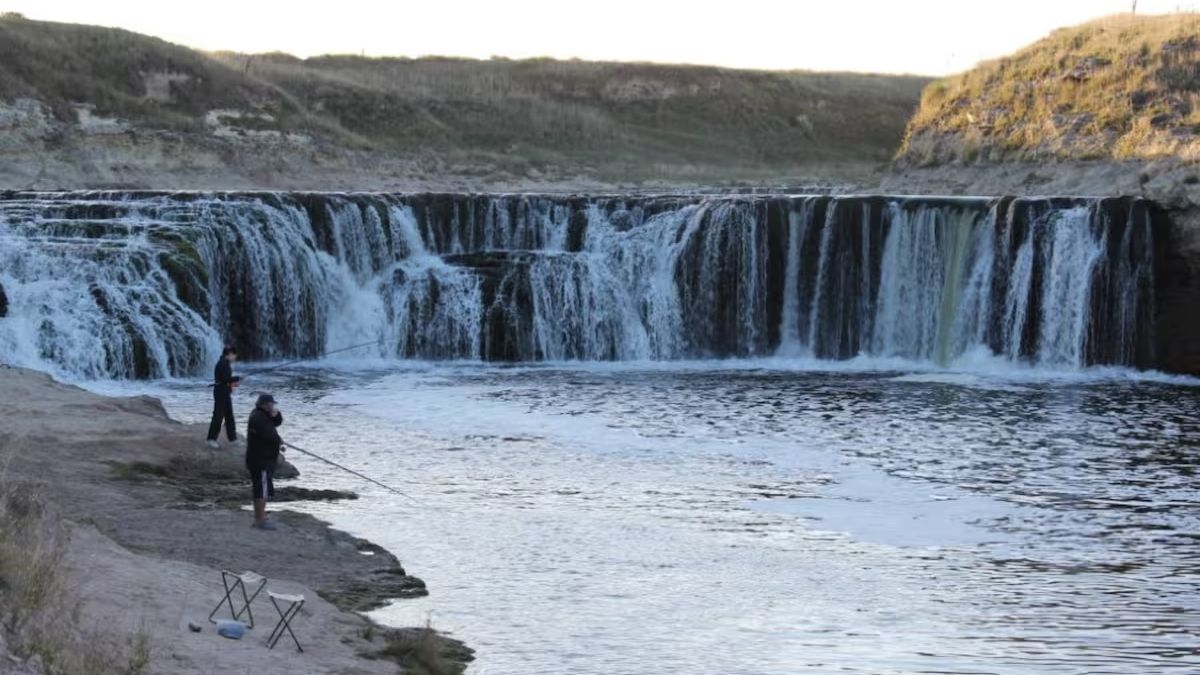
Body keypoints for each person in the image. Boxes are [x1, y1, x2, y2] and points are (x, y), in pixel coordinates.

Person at [246, 393, 285, 530]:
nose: (273, 406)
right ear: (265, 405)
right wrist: (279, 442)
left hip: (263, 459)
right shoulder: (258, 417)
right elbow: (269, 436)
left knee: (263, 488)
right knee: (261, 490)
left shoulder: (261, 415)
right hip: (260, 460)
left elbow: (277, 423)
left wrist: (276, 414)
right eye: (272, 404)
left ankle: (261, 517)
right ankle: (260, 520)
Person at [205, 346, 242, 449]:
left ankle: (233, 439)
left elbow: (225, 381)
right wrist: (237, 378)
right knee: (218, 416)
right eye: (234, 355)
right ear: (229, 353)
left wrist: (234, 383)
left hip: (225, 392)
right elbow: (226, 379)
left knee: (229, 416)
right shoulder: (222, 364)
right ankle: (211, 439)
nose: (235, 357)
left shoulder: (226, 363)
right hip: (220, 393)